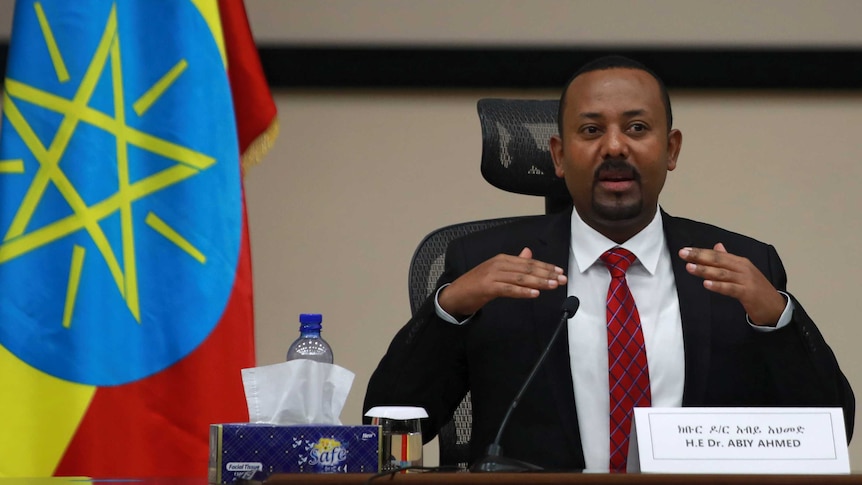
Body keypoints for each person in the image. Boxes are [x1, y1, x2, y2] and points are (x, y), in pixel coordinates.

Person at [363, 55, 854, 472]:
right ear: (559, 155)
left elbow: (836, 431)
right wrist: (451, 309)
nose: (615, 146)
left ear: (672, 149)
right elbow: (385, 424)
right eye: (591, 130)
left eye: (637, 128)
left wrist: (777, 319)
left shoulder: (739, 268)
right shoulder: (485, 267)